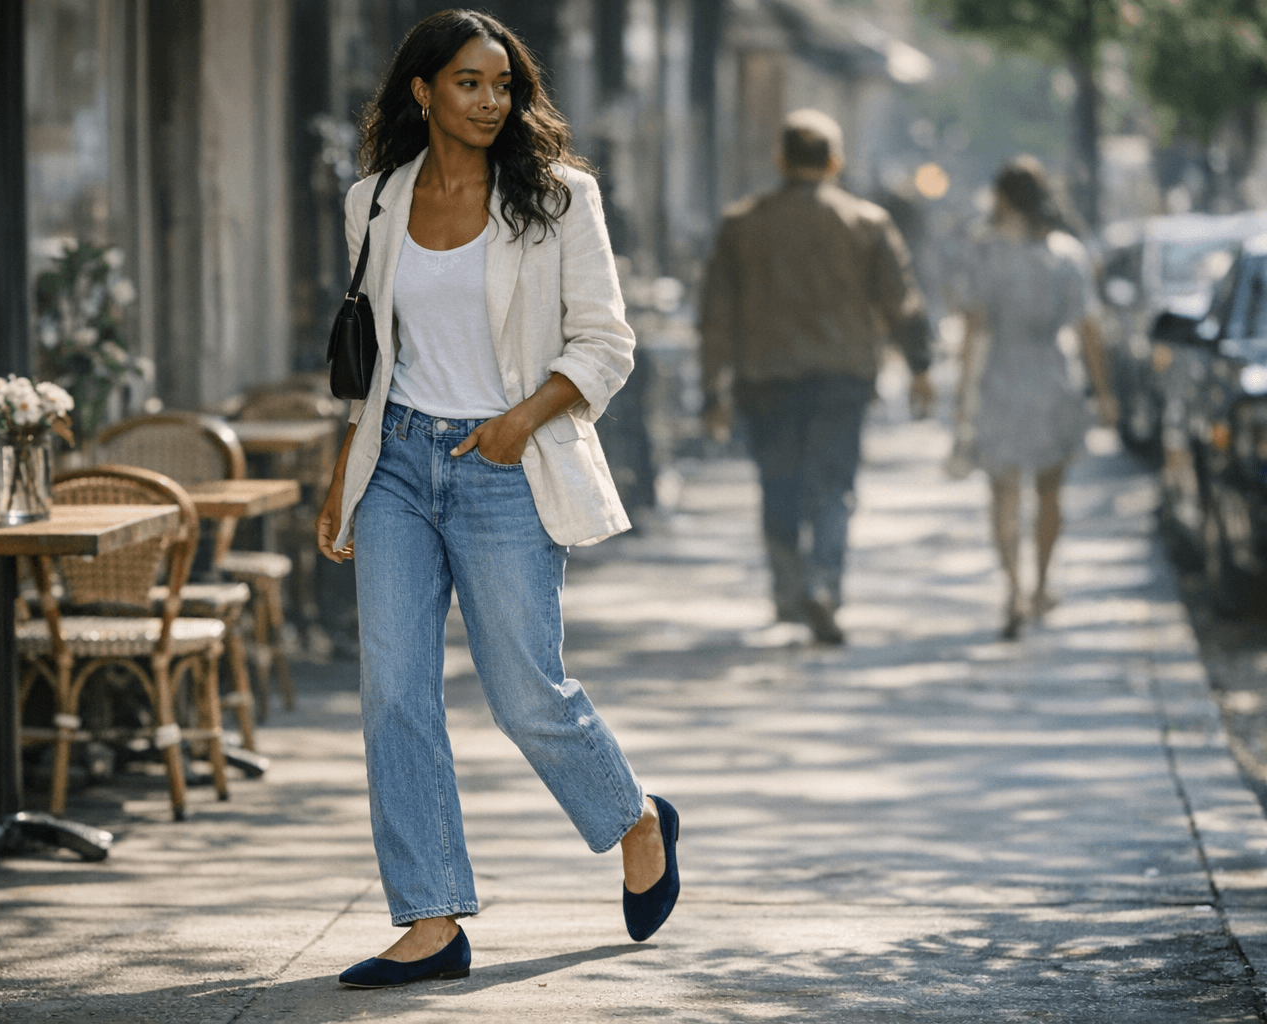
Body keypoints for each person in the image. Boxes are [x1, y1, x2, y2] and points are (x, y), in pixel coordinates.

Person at [314, 9, 679, 988]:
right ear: (423, 90)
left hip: (503, 463)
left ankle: (636, 818)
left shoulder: (558, 199)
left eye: (503, 85)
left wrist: (521, 419)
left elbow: (606, 343)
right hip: (396, 464)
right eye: (468, 83)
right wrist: (343, 474)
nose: (489, 102)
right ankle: (431, 919)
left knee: (524, 693)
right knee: (395, 694)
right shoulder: (373, 202)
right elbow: (371, 360)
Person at [699, 109, 934, 645]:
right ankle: (824, 584)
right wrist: (920, 366)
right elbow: (901, 301)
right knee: (833, 486)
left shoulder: (741, 224)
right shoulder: (867, 222)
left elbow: (715, 316)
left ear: (780, 160)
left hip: (766, 378)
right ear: (835, 163)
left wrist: (712, 390)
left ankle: (789, 591)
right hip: (842, 379)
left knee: (777, 483)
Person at [951, 155, 1117, 639]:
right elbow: (1088, 329)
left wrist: (962, 397)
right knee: (1049, 492)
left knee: (1002, 490)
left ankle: (1012, 587)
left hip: (1001, 379)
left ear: (1000, 197)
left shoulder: (984, 252)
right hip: (1051, 378)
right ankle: (1041, 585)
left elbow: (973, 329)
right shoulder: (1066, 253)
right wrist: (1103, 392)